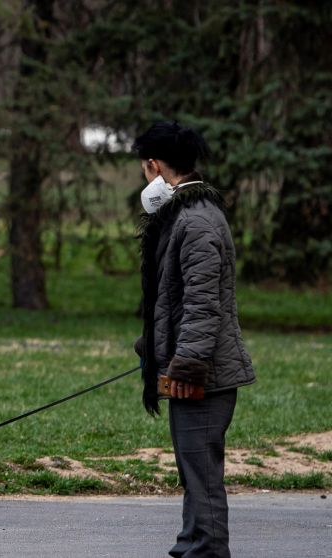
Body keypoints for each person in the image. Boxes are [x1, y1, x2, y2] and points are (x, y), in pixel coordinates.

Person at [132, 121, 255, 557]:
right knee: (193, 471)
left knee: (202, 474)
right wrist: (155, 349)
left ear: (154, 166)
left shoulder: (198, 222)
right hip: (191, 367)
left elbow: (204, 306)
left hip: (203, 374)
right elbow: (176, 299)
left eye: (144, 169)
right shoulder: (187, 214)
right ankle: (190, 546)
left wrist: (184, 364)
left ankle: (204, 550)